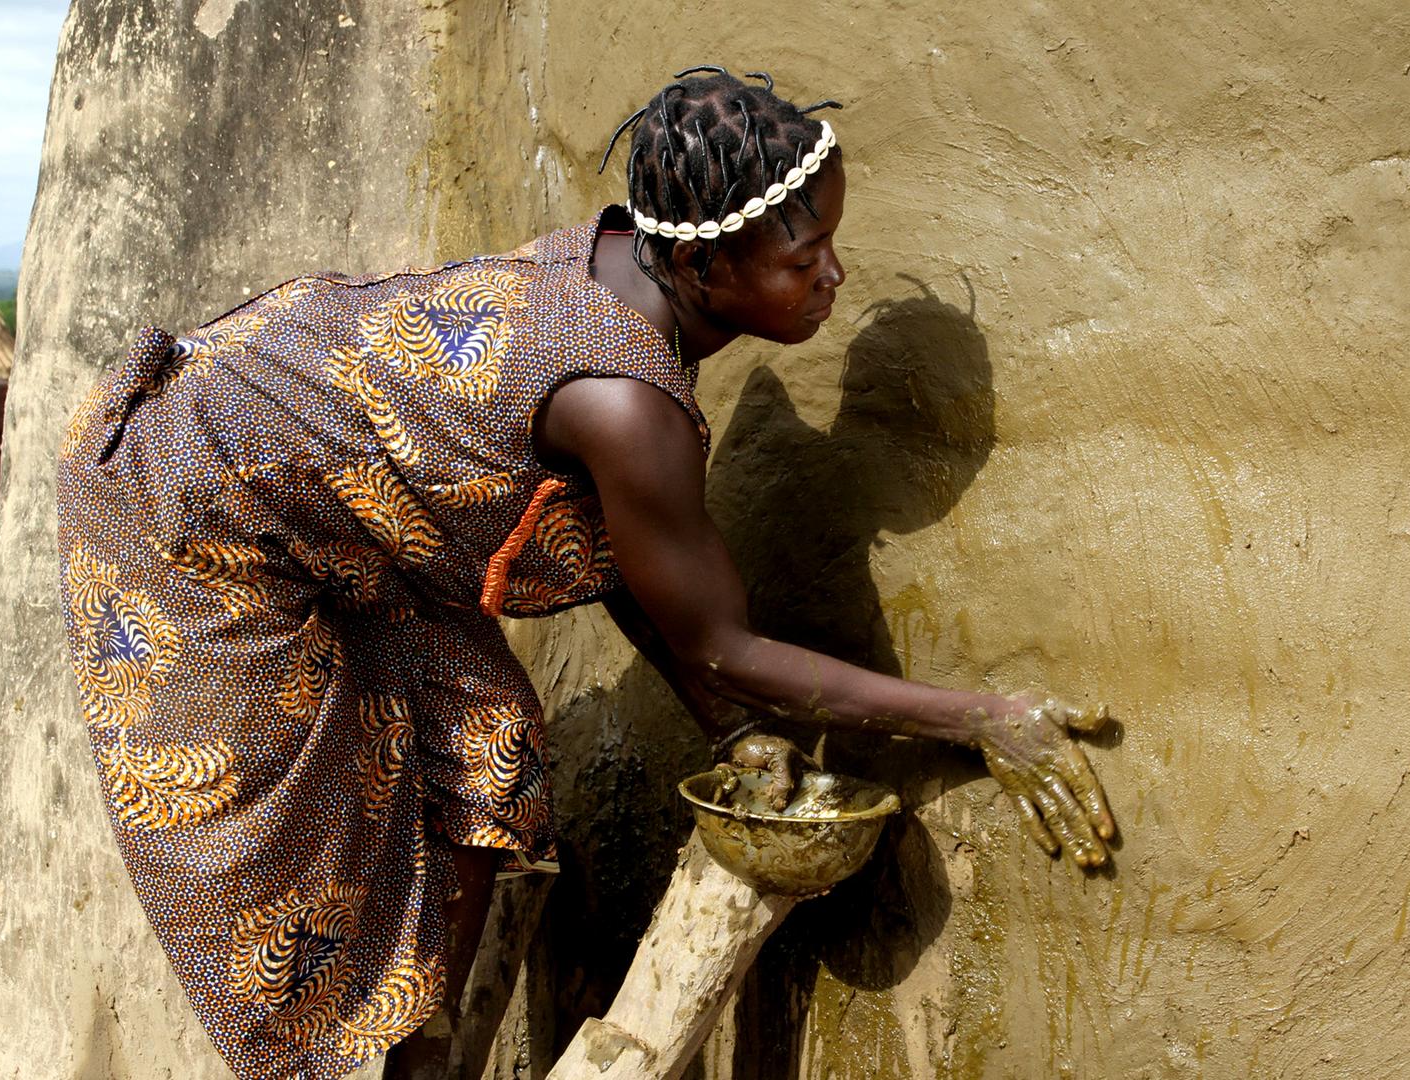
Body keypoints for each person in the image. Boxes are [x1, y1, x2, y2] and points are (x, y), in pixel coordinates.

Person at [54, 68, 1116, 1080]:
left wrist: (735, 735)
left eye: (831, 243)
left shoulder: (626, 265)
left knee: (487, 747)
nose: (833, 276)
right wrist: (978, 717)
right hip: (185, 501)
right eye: (804, 258)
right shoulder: (627, 401)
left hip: (315, 493)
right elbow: (723, 644)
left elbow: (613, 551)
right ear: (706, 266)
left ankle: (426, 1067)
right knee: (270, 880)